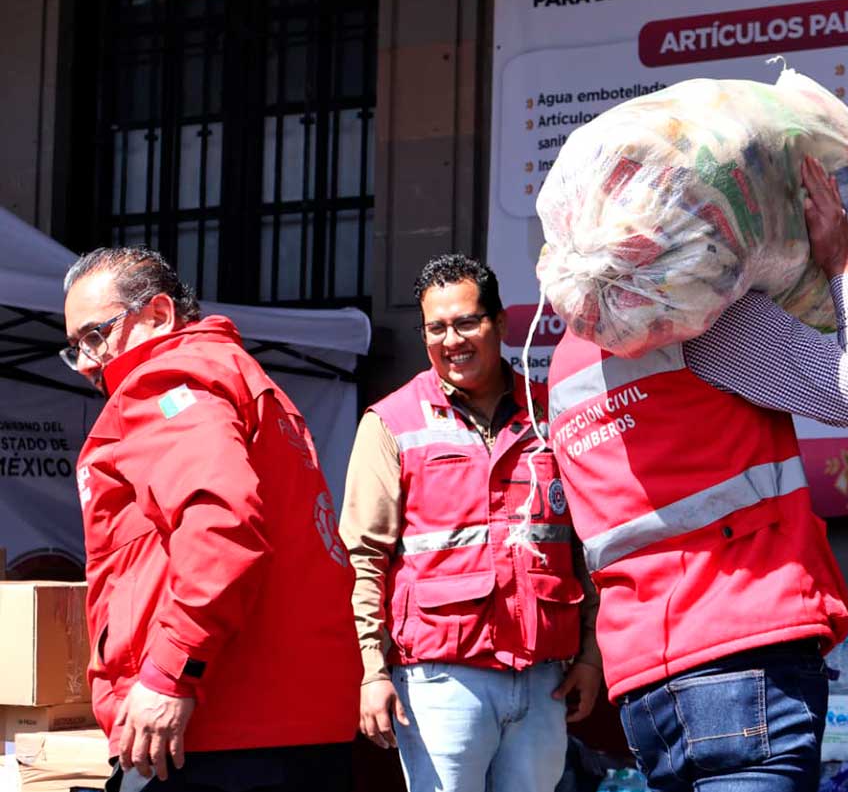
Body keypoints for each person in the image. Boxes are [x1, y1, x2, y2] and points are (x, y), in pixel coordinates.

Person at [546, 156, 848, 791]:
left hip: (645, 682)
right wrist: (842, 268)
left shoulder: (566, 360)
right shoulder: (703, 317)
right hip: (744, 654)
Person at [62, 247, 361, 792]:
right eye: (75, 346)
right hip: (299, 720)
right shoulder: (244, 381)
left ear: (158, 315)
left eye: (94, 336)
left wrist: (169, 674)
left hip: (215, 731)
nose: (85, 361)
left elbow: (221, 528)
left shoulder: (165, 381)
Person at [339, 254, 603, 792]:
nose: (450, 340)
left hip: (542, 678)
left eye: (465, 322)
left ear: (500, 324)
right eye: (435, 327)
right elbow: (365, 561)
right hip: (440, 677)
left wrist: (592, 657)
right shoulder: (392, 422)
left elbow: (588, 544)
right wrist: (372, 670)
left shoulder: (551, 413)